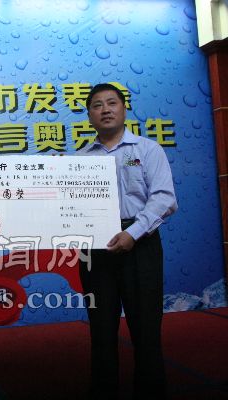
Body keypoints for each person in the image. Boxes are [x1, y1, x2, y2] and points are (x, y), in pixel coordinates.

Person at [77, 83, 178, 399]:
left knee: (146, 328)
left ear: (124, 109)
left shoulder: (148, 150)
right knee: (101, 330)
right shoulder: (79, 159)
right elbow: (68, 208)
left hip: (141, 244)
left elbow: (164, 199)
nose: (105, 109)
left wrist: (132, 233)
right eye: (97, 105)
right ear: (89, 116)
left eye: (112, 103)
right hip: (97, 250)